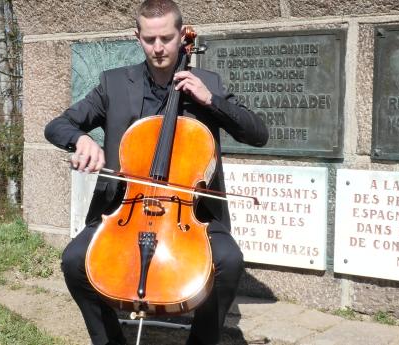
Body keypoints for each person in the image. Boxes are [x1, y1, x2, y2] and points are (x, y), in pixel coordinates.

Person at [44, 1, 268, 344]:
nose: (159, 48)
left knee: (228, 262)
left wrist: (211, 101)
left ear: (182, 35)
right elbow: (58, 125)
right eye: (150, 39)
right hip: (125, 209)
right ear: (138, 37)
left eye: (166, 38)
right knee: (75, 261)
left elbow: (258, 134)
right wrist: (80, 140)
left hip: (190, 214)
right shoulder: (113, 84)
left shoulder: (207, 83)